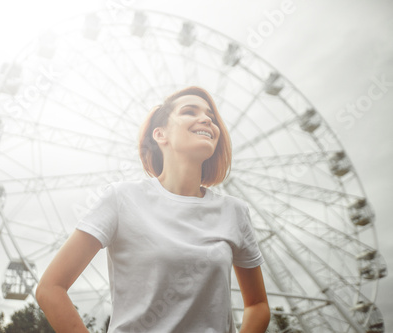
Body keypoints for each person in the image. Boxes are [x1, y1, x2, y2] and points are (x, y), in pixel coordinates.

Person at [36, 86, 270, 332]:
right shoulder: (121, 199)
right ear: (160, 134)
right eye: (190, 111)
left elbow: (257, 305)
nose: (207, 120)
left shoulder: (234, 212)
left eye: (211, 117)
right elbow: (50, 288)